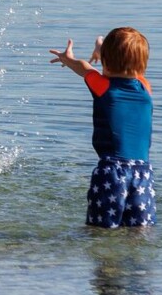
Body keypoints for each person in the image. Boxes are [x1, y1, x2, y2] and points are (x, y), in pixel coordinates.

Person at [49, 27, 156, 228]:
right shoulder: (145, 89)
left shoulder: (104, 87)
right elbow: (133, 73)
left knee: (100, 230)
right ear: (143, 64)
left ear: (105, 62)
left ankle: (103, 260)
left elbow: (84, 68)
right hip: (143, 174)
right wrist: (101, 48)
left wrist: (67, 59)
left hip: (112, 172)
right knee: (140, 232)